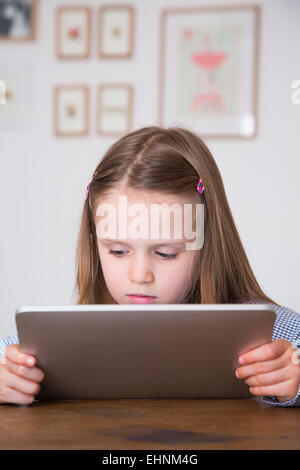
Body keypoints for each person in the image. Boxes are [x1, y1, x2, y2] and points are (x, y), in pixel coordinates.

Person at [0, 126, 299, 406]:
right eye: (118, 251)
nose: (140, 275)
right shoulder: (57, 342)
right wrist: (9, 379)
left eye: (166, 253)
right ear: (94, 242)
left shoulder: (274, 338)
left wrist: (295, 381)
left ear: (207, 246)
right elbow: (8, 358)